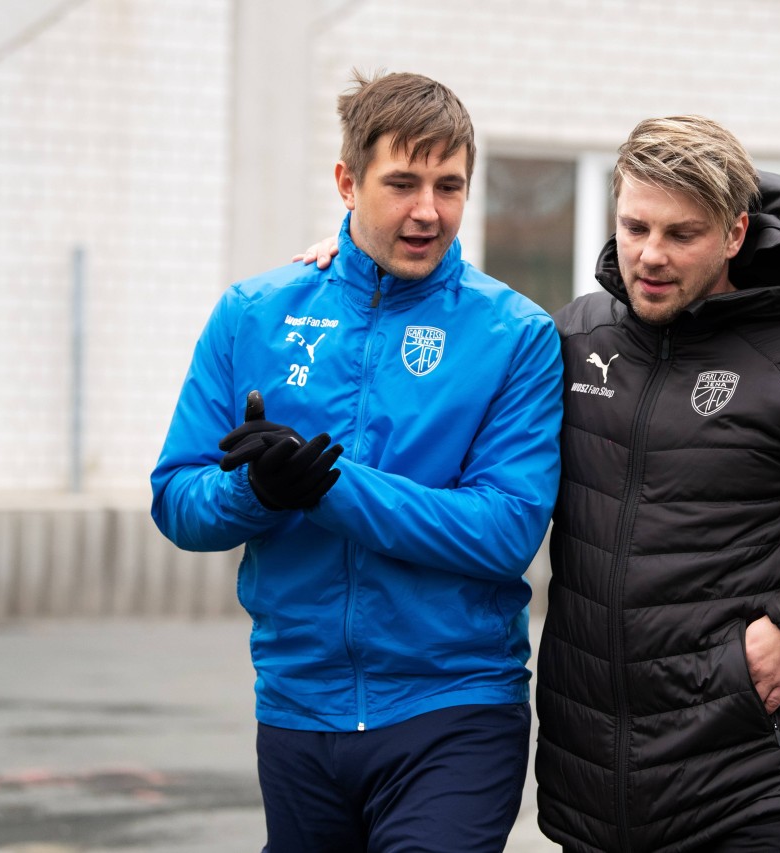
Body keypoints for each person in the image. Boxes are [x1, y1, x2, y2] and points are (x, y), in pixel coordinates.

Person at [298, 115, 780, 852]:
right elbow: (461, 340)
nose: (650, 255)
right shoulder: (577, 335)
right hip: (597, 801)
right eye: (634, 226)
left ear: (736, 232)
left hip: (751, 787)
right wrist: (361, 268)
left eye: (682, 235)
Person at [151, 70, 563, 853]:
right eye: (402, 182)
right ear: (347, 181)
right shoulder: (255, 314)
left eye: (450, 186)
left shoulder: (516, 335)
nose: (428, 210)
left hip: (455, 708)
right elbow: (176, 498)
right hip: (298, 710)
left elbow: (505, 528)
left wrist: (328, 486)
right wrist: (257, 493)